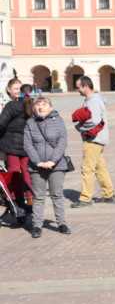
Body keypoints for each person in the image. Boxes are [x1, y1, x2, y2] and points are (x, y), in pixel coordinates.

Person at [22, 96, 71, 238]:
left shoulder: (58, 121)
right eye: (38, 104)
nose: (40, 107)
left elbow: (62, 142)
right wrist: (37, 162)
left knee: (57, 195)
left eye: (44, 104)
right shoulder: (30, 123)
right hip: (36, 166)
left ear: (51, 108)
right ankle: (37, 225)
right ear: (34, 108)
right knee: (39, 196)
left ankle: (61, 223)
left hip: (56, 165)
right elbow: (27, 144)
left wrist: (52, 161)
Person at [71, 76, 115, 208]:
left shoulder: (93, 101)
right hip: (98, 138)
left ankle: (85, 198)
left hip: (93, 138)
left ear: (86, 86)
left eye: (78, 87)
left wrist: (79, 127)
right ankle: (109, 194)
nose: (77, 90)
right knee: (99, 167)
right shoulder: (94, 99)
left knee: (87, 168)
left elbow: (94, 120)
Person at [0, 78, 34, 214]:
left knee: (14, 172)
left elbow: (2, 123)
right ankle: (30, 197)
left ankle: (18, 199)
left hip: (12, 144)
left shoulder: (11, 105)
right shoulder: (32, 105)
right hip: (27, 144)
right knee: (26, 171)